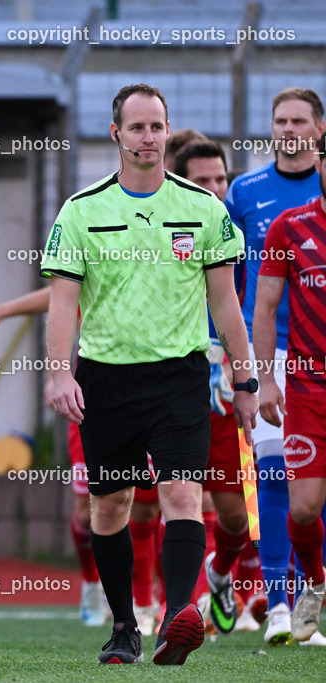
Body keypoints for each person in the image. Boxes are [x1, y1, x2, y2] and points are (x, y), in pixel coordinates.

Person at [42, 84, 257, 666]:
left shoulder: (204, 210)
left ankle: (177, 619)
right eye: (136, 127)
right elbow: (62, 302)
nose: (148, 137)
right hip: (106, 378)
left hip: (180, 377)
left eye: (157, 126)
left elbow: (225, 303)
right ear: (115, 134)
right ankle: (121, 626)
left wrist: (246, 379)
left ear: (168, 130)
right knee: (108, 507)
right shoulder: (81, 211)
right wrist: (60, 374)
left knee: (181, 494)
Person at [224, 87, 325, 645]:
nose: (288, 129)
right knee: (273, 474)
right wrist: (228, 356)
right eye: (280, 120)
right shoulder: (245, 191)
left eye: (299, 121)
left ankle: (314, 593)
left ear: (319, 128)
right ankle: (279, 604)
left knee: (315, 490)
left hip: (322, 352)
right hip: (273, 353)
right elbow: (227, 280)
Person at [174, 139, 266, 635]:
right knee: (174, 499)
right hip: (168, 383)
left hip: (228, 383)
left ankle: (222, 572)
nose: (215, 190)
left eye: (220, 179)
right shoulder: (157, 229)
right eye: (202, 180)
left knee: (234, 517)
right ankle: (170, 610)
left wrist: (246, 368)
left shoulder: (239, 235)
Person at [254, 135, 326, 642]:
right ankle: (314, 587)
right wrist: (263, 381)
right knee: (302, 507)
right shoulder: (290, 226)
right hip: (305, 387)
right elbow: (263, 306)